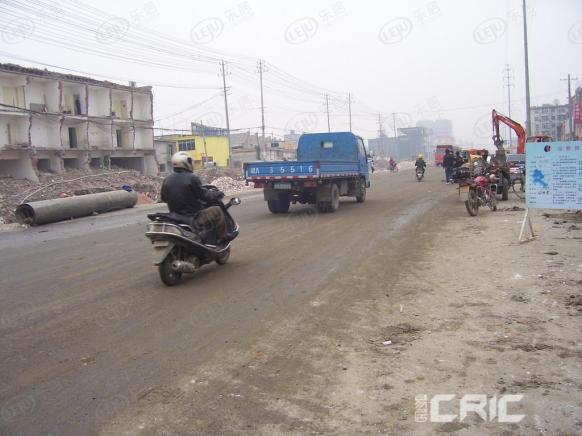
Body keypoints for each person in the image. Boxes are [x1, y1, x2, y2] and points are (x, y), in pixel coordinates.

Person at [161, 151, 228, 242]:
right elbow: (204, 196)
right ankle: (223, 238)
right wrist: (217, 194)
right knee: (218, 210)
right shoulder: (192, 178)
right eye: (190, 161)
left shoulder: (167, 179)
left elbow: (164, 198)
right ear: (186, 162)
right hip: (192, 217)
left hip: (175, 217)